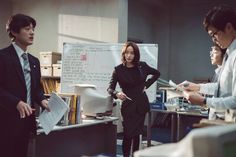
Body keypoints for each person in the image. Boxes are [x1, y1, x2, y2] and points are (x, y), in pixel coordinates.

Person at [0, 14, 50, 157]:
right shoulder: (3, 57)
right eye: (27, 29)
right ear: (14, 32)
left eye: (33, 29)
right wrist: (16, 102)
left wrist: (42, 100)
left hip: (27, 123)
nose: (32, 32)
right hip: (6, 122)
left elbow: (36, 89)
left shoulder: (34, 61)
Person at [107, 41, 160, 157]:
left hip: (141, 105)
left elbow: (157, 73)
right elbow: (110, 89)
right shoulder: (118, 69)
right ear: (124, 54)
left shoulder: (142, 66)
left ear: (136, 55)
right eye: (127, 52)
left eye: (132, 53)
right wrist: (117, 94)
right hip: (127, 106)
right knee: (127, 134)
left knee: (137, 135)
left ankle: (135, 155)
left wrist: (147, 84)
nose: (129, 55)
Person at [181, 5, 236, 112]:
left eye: (214, 34)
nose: (213, 40)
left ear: (229, 27)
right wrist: (197, 87)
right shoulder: (230, 53)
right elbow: (223, 88)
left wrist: (204, 101)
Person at [179, 45, 226, 119]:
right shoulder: (218, 72)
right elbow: (217, 89)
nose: (211, 54)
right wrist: (196, 88)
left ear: (226, 54)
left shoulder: (227, 73)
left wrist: (202, 99)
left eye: (215, 51)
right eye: (211, 51)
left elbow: (223, 89)